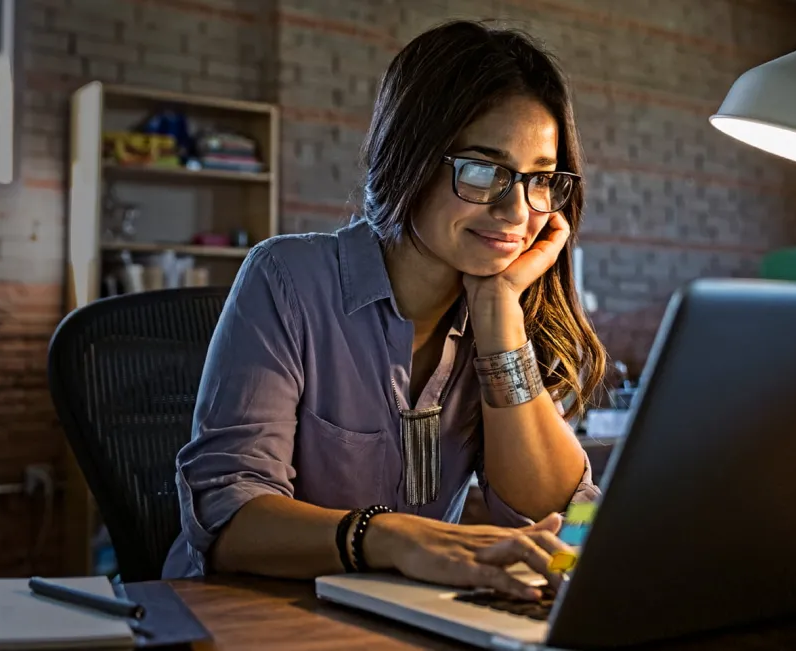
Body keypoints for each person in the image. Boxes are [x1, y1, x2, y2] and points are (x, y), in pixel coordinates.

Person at [161, 20, 607, 600]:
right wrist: (391, 538)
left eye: (540, 179)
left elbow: (571, 520)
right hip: (242, 612)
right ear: (410, 155)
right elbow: (227, 515)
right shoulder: (288, 278)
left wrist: (500, 319)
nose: (517, 210)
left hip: (396, 619)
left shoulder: (504, 313)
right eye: (481, 168)